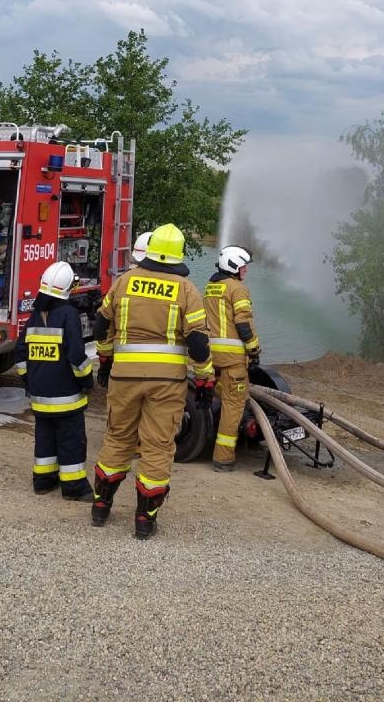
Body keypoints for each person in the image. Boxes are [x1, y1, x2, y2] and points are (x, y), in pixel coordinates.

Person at [90, 222, 213, 538]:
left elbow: (101, 326)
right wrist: (204, 381)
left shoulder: (124, 282)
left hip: (124, 377)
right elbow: (199, 344)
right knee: (158, 446)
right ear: (178, 256)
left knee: (118, 438)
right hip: (166, 383)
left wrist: (105, 360)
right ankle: (145, 521)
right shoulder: (187, 290)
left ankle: (101, 508)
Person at [13, 261, 94, 500]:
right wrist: (87, 380)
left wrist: (29, 380)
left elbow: (20, 353)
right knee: (71, 441)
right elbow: (76, 355)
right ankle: (74, 488)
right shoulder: (68, 315)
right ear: (68, 287)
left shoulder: (35, 316)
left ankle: (43, 481)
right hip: (67, 398)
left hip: (40, 398)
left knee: (45, 440)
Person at [203, 244, 260, 472]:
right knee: (233, 405)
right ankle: (223, 458)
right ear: (234, 266)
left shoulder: (210, 287)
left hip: (211, 356)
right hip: (233, 358)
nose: (246, 271)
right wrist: (254, 350)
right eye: (244, 267)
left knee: (218, 397)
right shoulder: (238, 289)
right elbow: (243, 323)